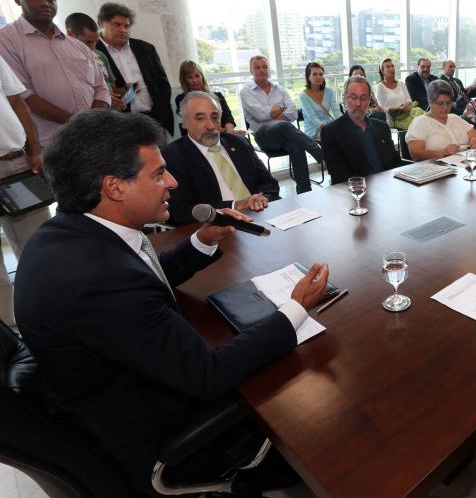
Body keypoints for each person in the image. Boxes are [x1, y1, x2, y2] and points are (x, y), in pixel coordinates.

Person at [15, 109, 330, 495]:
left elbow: (143, 276)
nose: (173, 182)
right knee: (311, 397)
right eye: (158, 173)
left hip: (99, 393)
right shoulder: (100, 281)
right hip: (153, 432)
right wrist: (296, 308)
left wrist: (203, 240)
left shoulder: (67, 234)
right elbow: (208, 375)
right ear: (115, 187)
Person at [0, 0, 109, 145]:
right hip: (52, 144)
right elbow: (22, 95)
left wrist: (93, 122)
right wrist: (79, 125)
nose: (45, 3)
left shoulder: (76, 45)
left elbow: (101, 88)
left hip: (94, 137)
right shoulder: (6, 40)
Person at [164, 91, 280, 226]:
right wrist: (234, 205)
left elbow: (269, 183)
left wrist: (262, 199)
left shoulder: (239, 143)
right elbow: (179, 211)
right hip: (217, 226)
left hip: (262, 214)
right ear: (184, 122)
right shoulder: (173, 156)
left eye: (215, 117)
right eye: (200, 118)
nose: (210, 126)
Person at [0, 54, 45, 329]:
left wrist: (35, 149)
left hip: (15, 162)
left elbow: (17, 101)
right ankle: (6, 333)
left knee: (39, 247)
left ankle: (51, 317)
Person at [239, 55, 322, 194]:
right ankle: (320, 154)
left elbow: (294, 114)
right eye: (257, 67)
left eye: (264, 67)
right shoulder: (246, 91)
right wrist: (281, 109)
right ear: (251, 70)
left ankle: (305, 191)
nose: (262, 70)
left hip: (285, 136)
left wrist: (270, 114)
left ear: (269, 69)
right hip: (264, 137)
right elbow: (260, 115)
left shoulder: (280, 89)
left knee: (296, 146)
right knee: (283, 125)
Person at [95, 2, 173, 136]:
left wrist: (161, 113)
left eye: (127, 25)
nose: (123, 30)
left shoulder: (146, 49)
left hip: (153, 120)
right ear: (101, 24)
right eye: (117, 24)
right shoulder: (92, 51)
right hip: (117, 124)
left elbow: (162, 84)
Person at [322, 75, 402, 185]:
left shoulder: (382, 127)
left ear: (370, 100)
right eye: (353, 97)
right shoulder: (331, 132)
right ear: (344, 98)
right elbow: (339, 176)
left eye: (363, 98)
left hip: (388, 186)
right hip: (356, 193)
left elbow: (395, 162)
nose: (358, 104)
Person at [405, 80, 476, 161]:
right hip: (437, 169)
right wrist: (442, 152)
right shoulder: (420, 122)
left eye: (448, 103)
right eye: (440, 103)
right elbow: (415, 154)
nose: (445, 108)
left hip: (464, 165)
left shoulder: (455, 118)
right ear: (430, 102)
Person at [174, 60, 240, 136]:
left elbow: (228, 118)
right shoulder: (182, 99)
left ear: (202, 76)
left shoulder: (217, 96)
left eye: (197, 76)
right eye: (190, 77)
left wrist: (230, 134)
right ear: (184, 80)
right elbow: (191, 127)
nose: (195, 81)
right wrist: (223, 132)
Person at [64, 12, 115, 95]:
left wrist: (126, 90)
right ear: (70, 34)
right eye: (88, 42)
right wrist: (103, 99)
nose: (93, 47)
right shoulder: (62, 60)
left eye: (96, 42)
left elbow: (112, 86)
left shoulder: (100, 55)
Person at [374, 58, 424, 129]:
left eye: (392, 66)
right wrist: (398, 108)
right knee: (419, 117)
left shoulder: (401, 84)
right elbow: (382, 108)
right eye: (388, 67)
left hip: (407, 113)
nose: (391, 69)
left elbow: (409, 100)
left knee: (419, 112)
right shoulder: (380, 86)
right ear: (382, 71)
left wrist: (406, 104)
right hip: (393, 118)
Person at [299, 61, 338, 140]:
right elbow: (313, 119)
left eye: (321, 74)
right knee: (336, 138)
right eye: (314, 74)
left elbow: (336, 111)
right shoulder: (303, 96)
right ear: (308, 77)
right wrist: (329, 128)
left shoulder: (329, 91)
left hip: (328, 127)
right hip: (313, 131)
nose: (318, 77)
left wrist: (344, 123)